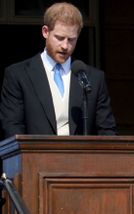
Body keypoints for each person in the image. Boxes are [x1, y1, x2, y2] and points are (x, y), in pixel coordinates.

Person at [0, 2, 116, 137]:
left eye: (71, 39)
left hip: (81, 157)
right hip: (35, 156)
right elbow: (12, 127)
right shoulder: (18, 75)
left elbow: (107, 131)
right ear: (45, 32)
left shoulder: (93, 78)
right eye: (59, 38)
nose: (65, 46)